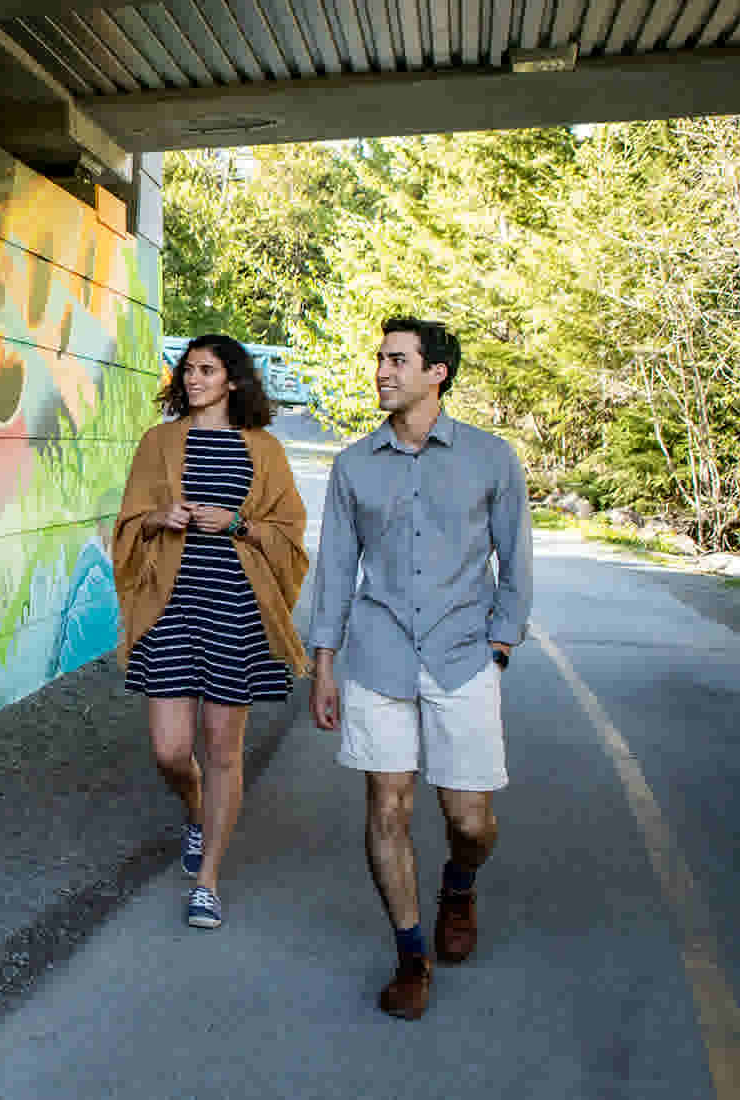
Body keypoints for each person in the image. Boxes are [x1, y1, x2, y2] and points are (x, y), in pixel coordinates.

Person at [308, 318, 533, 1021]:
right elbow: (337, 569)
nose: (382, 371)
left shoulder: (491, 459)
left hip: (464, 656)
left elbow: (515, 561)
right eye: (379, 359)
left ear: (436, 373)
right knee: (389, 807)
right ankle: (411, 954)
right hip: (378, 655)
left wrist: (499, 647)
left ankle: (459, 884)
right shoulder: (354, 465)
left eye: (398, 360)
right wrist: (324, 665)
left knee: (469, 819)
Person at [111, 334, 311, 930]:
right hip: (169, 610)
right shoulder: (160, 443)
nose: (191, 379)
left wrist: (239, 524)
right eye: (187, 369)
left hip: (237, 612)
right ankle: (196, 811)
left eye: (205, 370)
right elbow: (126, 523)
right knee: (171, 751)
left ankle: (208, 881)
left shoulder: (265, 450)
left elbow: (290, 536)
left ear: (232, 380)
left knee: (223, 749)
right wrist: (156, 517)